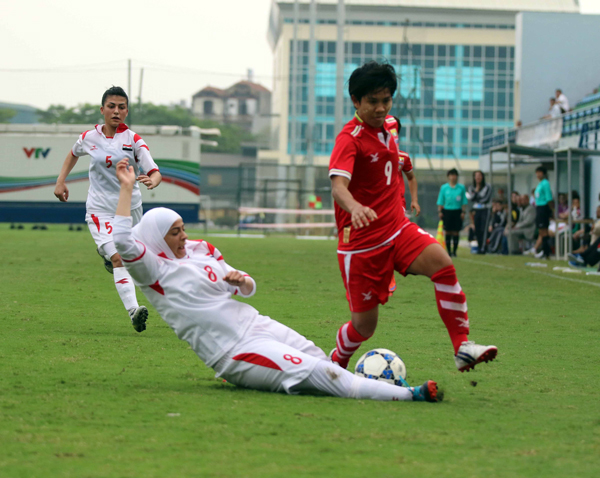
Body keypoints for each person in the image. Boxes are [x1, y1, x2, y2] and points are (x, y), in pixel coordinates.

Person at [111, 158, 441, 402]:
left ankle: (373, 387)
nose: (184, 235)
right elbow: (123, 242)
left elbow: (248, 287)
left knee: (321, 359)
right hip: (234, 351)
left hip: (257, 325)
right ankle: (411, 396)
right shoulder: (153, 272)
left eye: (183, 228)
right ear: (156, 239)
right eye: (175, 232)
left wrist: (241, 281)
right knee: (319, 375)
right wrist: (127, 188)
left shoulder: (201, 249)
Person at [327, 61, 497, 374]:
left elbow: (406, 170)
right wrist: (356, 207)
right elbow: (338, 187)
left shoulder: (390, 125)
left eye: (386, 100)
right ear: (355, 101)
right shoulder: (349, 139)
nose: (380, 108)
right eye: (372, 101)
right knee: (364, 327)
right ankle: (334, 362)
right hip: (361, 246)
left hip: (397, 230)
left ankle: (462, 347)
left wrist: (411, 197)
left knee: (443, 265)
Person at [54, 86, 162, 332]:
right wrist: (61, 181)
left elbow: (154, 171)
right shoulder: (89, 137)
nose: (116, 111)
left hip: (131, 208)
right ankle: (134, 311)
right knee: (118, 258)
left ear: (126, 112)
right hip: (99, 209)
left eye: (121, 107)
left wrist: (151, 181)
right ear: (102, 110)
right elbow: (73, 154)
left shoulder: (134, 140)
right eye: (111, 106)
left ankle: (109, 256)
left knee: (135, 260)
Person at [437, 168, 468, 257]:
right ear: (448, 177)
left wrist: (463, 211)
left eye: (454, 175)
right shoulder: (444, 188)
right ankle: (449, 252)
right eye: (451, 175)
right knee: (448, 231)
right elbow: (440, 201)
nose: (453, 177)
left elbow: (464, 201)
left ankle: (454, 251)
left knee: (456, 232)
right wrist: (440, 211)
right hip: (447, 211)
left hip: (457, 211)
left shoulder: (461, 188)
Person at [466, 170, 492, 254]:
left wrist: (476, 195)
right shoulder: (471, 188)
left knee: (483, 229)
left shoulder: (487, 187)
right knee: (476, 229)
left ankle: (483, 247)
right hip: (476, 210)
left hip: (485, 209)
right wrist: (477, 193)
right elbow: (471, 198)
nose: (478, 177)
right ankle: (479, 246)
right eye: (476, 176)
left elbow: (485, 199)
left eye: (479, 175)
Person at [532, 166, 554, 259]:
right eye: (537, 172)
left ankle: (546, 252)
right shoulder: (540, 184)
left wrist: (552, 210)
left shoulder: (545, 183)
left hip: (543, 208)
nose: (538, 174)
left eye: (539, 172)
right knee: (541, 231)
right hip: (539, 208)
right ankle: (544, 251)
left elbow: (549, 198)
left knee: (544, 231)